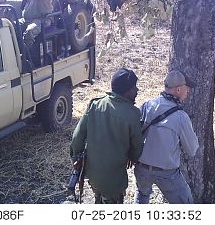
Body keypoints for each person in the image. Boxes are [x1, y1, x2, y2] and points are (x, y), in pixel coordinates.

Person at [70, 68, 143, 204]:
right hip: (114, 181)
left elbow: (77, 138)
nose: (137, 91)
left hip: (93, 176)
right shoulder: (133, 115)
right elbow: (137, 147)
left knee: (98, 199)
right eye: (134, 88)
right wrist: (132, 157)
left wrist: (76, 159)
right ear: (126, 91)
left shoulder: (95, 105)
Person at [134, 70, 199, 204]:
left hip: (142, 168)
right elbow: (192, 150)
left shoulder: (147, 105)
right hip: (167, 173)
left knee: (142, 196)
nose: (188, 92)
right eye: (187, 89)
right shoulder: (181, 117)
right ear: (179, 89)